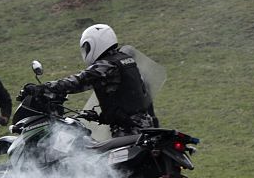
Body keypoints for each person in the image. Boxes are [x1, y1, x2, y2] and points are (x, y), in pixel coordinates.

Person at [26, 24, 156, 138]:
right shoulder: (125, 60)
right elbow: (129, 95)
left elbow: (79, 81)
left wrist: (44, 88)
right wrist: (104, 116)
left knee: (114, 165)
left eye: (87, 47)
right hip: (143, 124)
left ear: (96, 42)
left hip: (129, 129)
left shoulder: (107, 65)